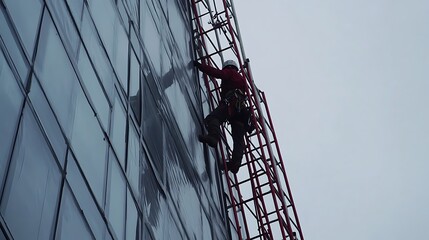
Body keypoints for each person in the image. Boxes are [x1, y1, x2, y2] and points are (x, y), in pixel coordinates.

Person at [194, 59, 249, 174]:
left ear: (227, 67)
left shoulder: (230, 72)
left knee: (212, 118)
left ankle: (213, 137)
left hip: (231, 104)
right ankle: (235, 164)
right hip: (241, 111)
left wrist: (201, 66)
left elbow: (219, 74)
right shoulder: (242, 80)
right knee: (238, 140)